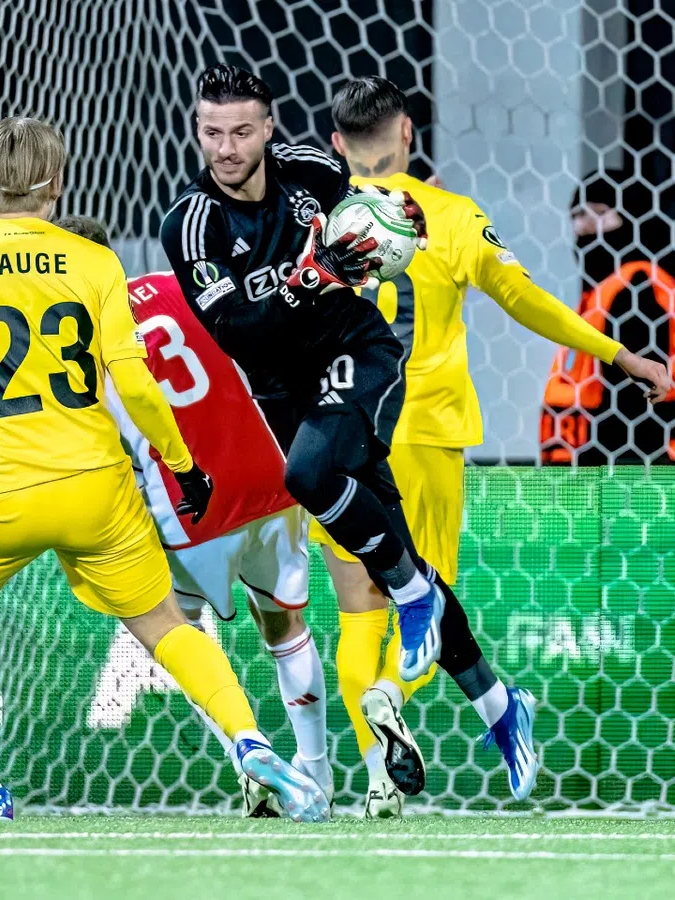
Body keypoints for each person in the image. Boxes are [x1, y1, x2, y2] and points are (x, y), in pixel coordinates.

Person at [0, 117, 328, 824]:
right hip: (97, 487)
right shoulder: (94, 264)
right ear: (57, 185)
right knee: (164, 625)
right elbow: (138, 384)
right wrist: (183, 468)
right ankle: (248, 741)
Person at [155, 63, 534, 812]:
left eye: (240, 131)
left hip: (358, 355)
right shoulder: (189, 224)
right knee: (388, 538)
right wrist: (312, 272)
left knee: (309, 480)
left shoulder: (314, 171)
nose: (225, 147)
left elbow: (375, 226)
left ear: (268, 128)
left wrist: (395, 228)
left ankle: (415, 599)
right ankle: (497, 703)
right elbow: (235, 328)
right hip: (281, 392)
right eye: (210, 132)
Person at [323, 75, 675, 816]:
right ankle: (398, 694)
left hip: (336, 433)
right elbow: (527, 301)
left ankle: (378, 774)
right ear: (409, 135)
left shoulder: (314, 221)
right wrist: (621, 357)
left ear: (334, 146)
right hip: (422, 429)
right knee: (428, 589)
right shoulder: (451, 216)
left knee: (358, 609)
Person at [52, 215, 332, 818]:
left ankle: (254, 767)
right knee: (284, 626)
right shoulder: (186, 284)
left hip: (191, 503)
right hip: (270, 472)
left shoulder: (80, 337)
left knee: (181, 633)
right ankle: (318, 777)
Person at [543, 168, 675, 464]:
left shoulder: (638, 287)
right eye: (575, 216)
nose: (581, 226)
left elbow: (638, 392)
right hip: (633, 473)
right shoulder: (608, 290)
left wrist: (614, 470)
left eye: (597, 212)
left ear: (631, 217)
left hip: (633, 478)